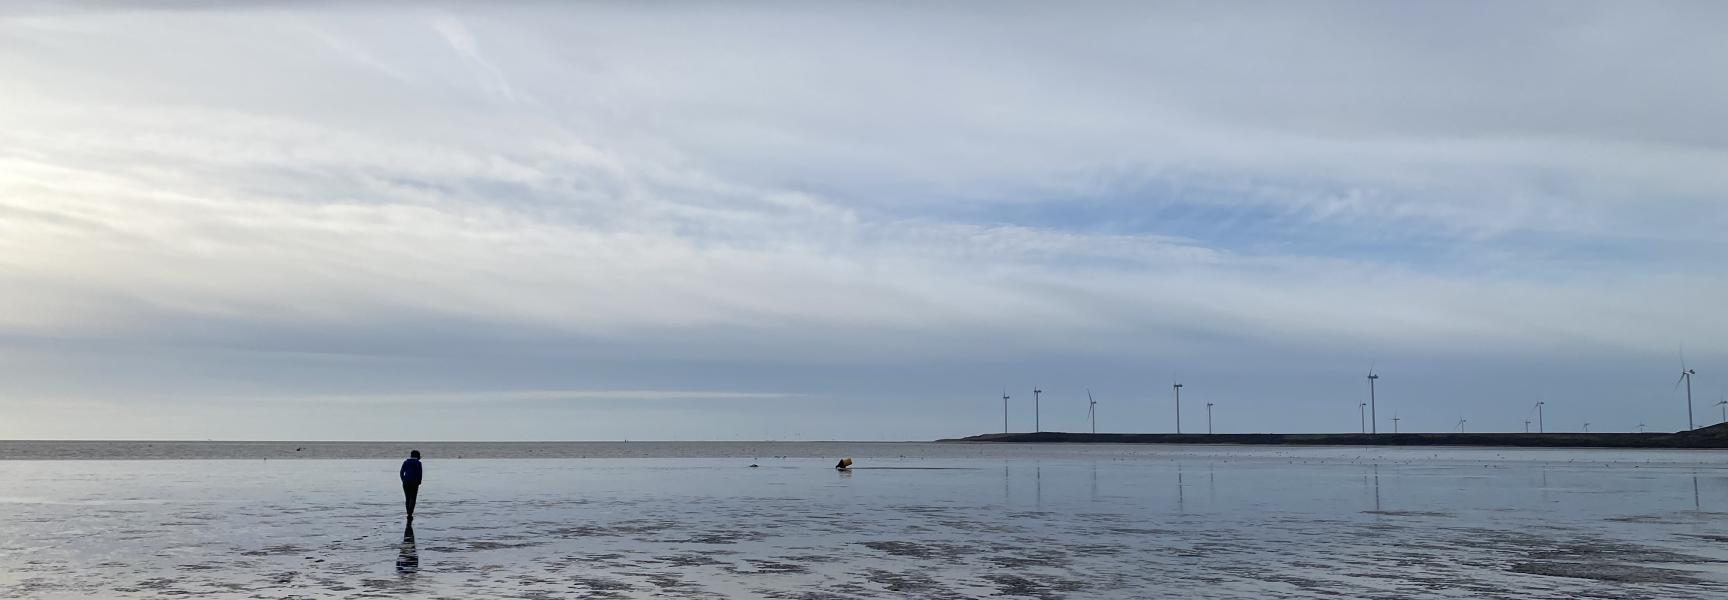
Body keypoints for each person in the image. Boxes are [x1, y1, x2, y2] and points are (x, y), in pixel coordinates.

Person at [399, 450, 423, 520]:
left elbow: (401, 472)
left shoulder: (406, 462)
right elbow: (420, 473)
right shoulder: (418, 463)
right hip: (414, 482)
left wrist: (403, 480)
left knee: (407, 498)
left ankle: (408, 513)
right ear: (418, 456)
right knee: (413, 498)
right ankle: (410, 513)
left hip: (406, 482)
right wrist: (419, 481)